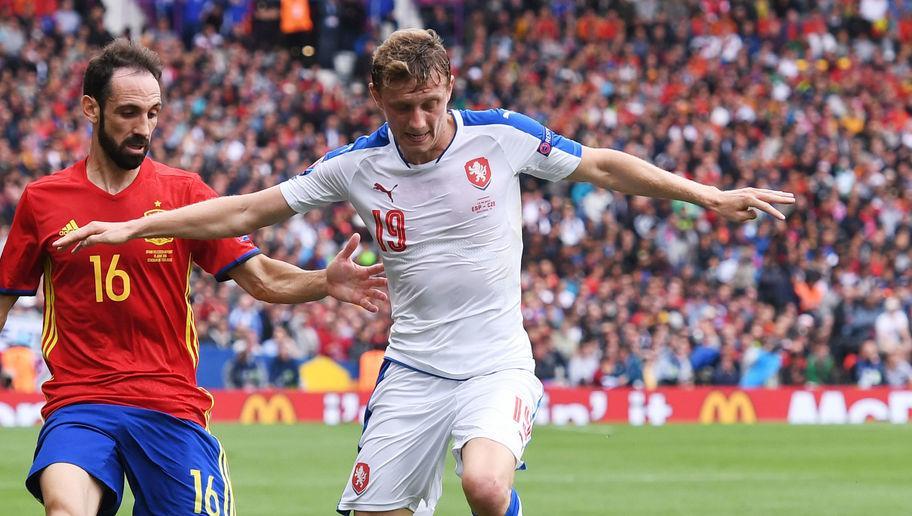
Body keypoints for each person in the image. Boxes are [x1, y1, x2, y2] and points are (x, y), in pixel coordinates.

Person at [55, 29, 795, 516]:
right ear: (378, 97)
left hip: (496, 363)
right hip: (411, 369)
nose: (417, 122)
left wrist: (705, 193)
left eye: (431, 104)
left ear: (450, 88)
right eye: (403, 106)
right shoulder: (354, 166)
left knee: (483, 484)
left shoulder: (500, 138)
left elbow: (600, 165)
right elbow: (242, 212)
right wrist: (136, 225)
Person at [1, 40, 387, 516]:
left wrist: (325, 282)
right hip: (82, 404)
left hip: (171, 406)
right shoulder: (43, 201)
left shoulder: (184, 194)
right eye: (128, 113)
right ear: (91, 108)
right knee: (65, 507)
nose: (143, 128)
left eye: (153, 113)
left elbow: (261, 278)